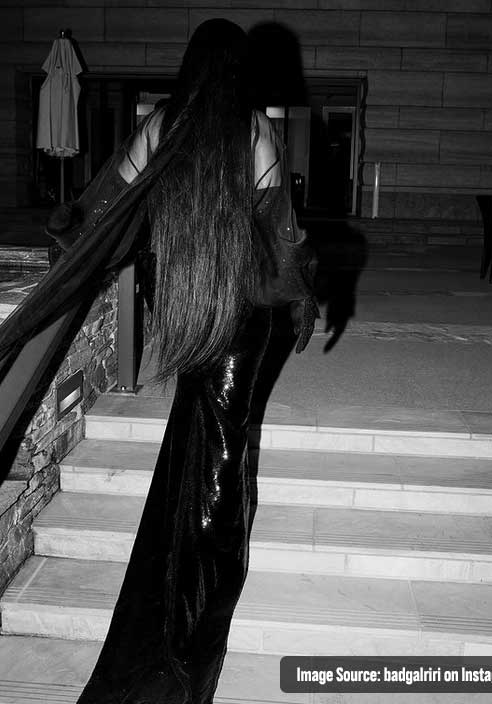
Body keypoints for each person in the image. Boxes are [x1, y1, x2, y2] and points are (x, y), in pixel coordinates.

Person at [0, 18, 317, 704]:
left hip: (195, 309)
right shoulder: (254, 130)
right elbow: (281, 237)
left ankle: (179, 582)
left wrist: (69, 234)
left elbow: (105, 204)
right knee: (219, 452)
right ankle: (195, 600)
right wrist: (300, 299)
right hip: (244, 316)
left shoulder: (163, 126)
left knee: (202, 446)